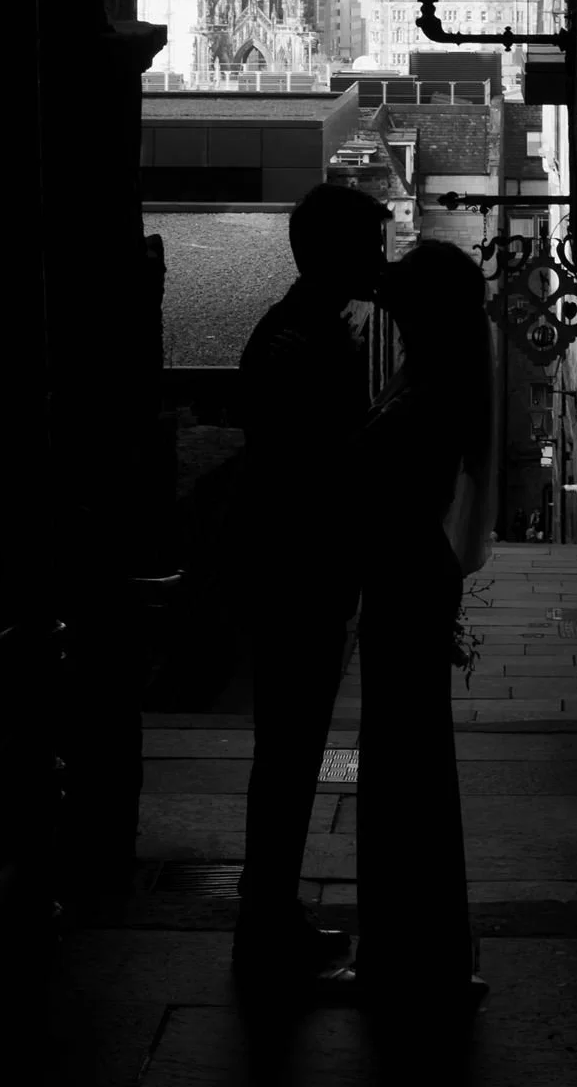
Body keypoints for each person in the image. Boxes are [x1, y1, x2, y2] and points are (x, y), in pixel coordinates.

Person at [328, 240, 497, 1014]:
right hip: (408, 574)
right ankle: (417, 948)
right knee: (407, 762)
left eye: (400, 307)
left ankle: (408, 954)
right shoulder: (439, 376)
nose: (389, 318)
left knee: (403, 764)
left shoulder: (426, 389)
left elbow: (374, 476)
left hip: (403, 576)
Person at [231, 182, 392, 985]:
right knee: (290, 751)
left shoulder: (303, 328)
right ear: (331, 252)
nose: (380, 258)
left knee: (292, 753)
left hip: (300, 572)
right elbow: (313, 468)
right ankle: (265, 923)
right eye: (369, 243)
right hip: (298, 576)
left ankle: (272, 914)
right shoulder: (302, 339)